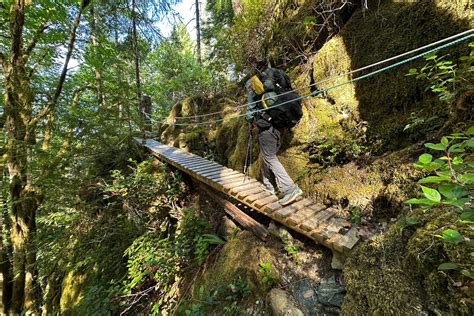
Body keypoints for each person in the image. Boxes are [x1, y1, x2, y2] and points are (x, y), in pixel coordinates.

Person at [245, 71, 303, 206]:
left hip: (266, 129)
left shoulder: (253, 89)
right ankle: (269, 185)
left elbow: (249, 112)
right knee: (267, 155)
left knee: (270, 157)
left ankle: (289, 189)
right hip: (278, 126)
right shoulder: (276, 87)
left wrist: (249, 119)